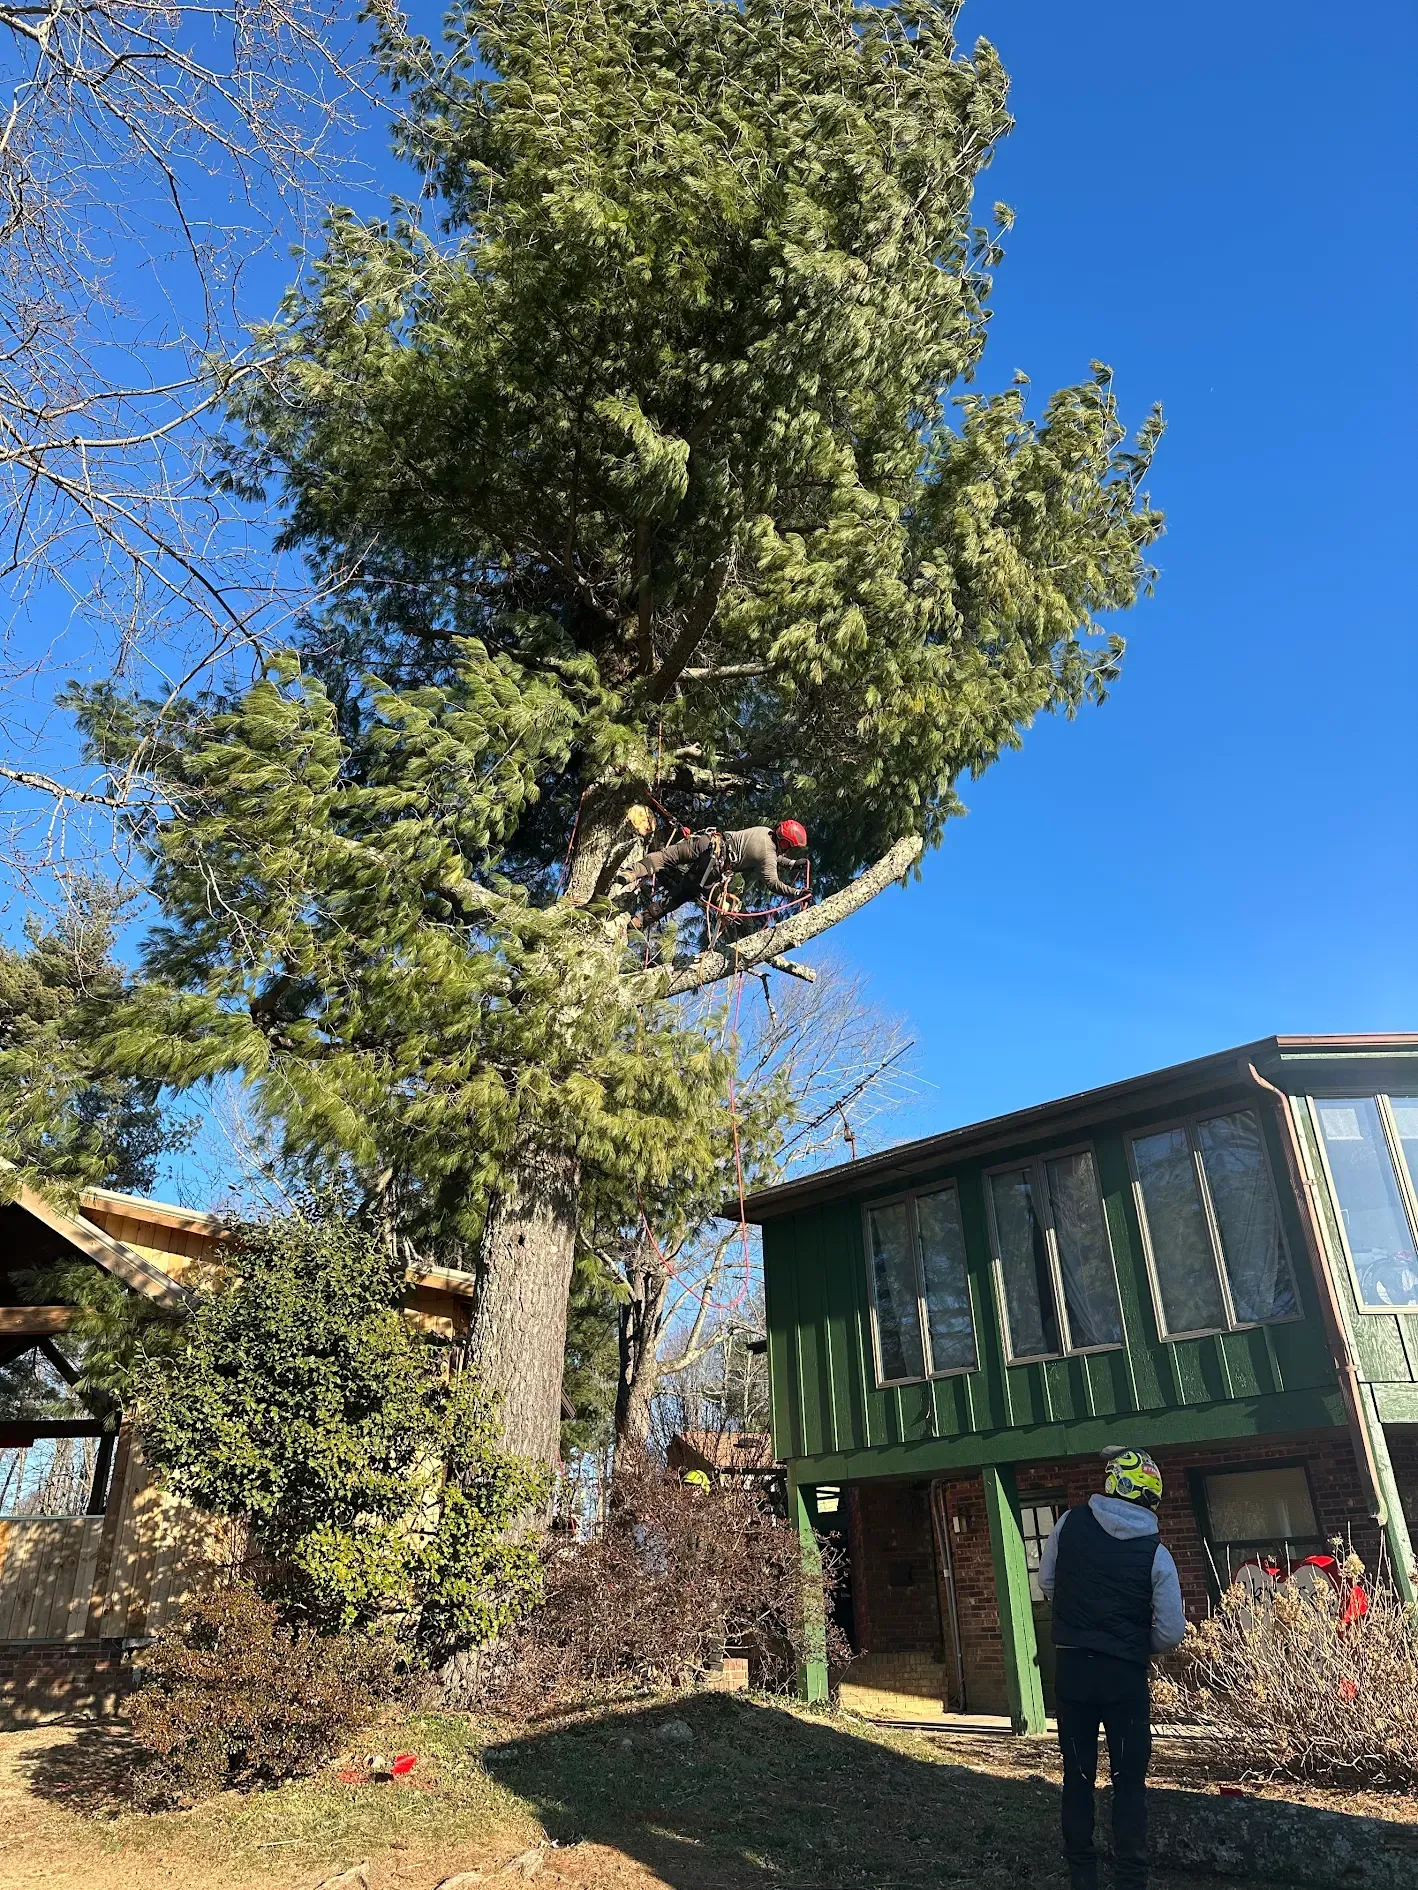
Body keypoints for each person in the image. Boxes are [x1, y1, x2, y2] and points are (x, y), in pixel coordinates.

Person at [1037, 1447, 1186, 1890]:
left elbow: (1046, 1581)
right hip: (1124, 1677)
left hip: (1073, 1668)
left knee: (1077, 1773)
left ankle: (1082, 1874)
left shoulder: (1069, 1523)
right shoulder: (1155, 1553)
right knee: (1129, 1780)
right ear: (1150, 1497)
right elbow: (1171, 1630)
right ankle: (1131, 1878)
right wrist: (1136, 1646)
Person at [617, 818, 807, 920]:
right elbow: (773, 883)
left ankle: (632, 872)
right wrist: (796, 892)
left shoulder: (764, 831)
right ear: (784, 842)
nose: (787, 850)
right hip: (713, 866)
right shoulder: (768, 854)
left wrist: (791, 864)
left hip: (708, 842)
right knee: (681, 894)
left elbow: (772, 855)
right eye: (788, 846)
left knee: (665, 856)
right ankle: (640, 920)